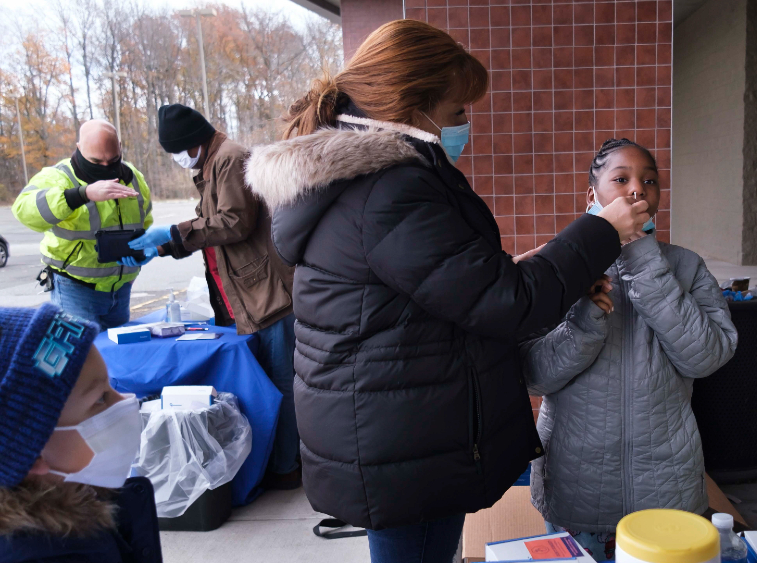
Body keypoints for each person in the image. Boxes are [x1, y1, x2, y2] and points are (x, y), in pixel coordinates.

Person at [245, 19, 650, 563]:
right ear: (415, 106)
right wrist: (602, 229)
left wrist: (502, 268)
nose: (464, 125)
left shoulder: (360, 180)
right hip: (403, 434)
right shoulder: (390, 188)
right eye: (458, 111)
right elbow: (510, 304)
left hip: (393, 420)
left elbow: (429, 283)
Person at [519, 139, 738, 562]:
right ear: (592, 196)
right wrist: (584, 321)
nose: (637, 190)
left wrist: (643, 262)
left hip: (668, 490)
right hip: (576, 489)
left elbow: (706, 356)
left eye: (649, 180)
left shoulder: (686, 266)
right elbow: (535, 376)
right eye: (621, 179)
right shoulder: (556, 265)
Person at [130, 104, 300, 489]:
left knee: (280, 383)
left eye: (177, 150)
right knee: (263, 381)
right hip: (246, 293)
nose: (176, 159)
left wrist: (173, 233)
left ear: (194, 143)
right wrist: (162, 247)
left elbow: (233, 223)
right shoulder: (209, 166)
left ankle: (287, 466)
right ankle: (276, 461)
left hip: (267, 294)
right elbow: (208, 227)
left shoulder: (229, 159)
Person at [0, 304, 161, 563]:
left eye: (112, 386)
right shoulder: (45, 554)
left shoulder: (79, 497)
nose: (124, 402)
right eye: (100, 399)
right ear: (30, 451)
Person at [12, 120, 154, 331]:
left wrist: (143, 251)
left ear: (121, 147)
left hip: (121, 289)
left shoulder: (133, 177)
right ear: (79, 148)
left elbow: (145, 222)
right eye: (96, 161)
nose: (106, 167)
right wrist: (81, 195)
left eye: (113, 159)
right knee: (81, 360)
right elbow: (24, 210)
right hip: (75, 290)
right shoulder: (58, 177)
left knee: (115, 359)